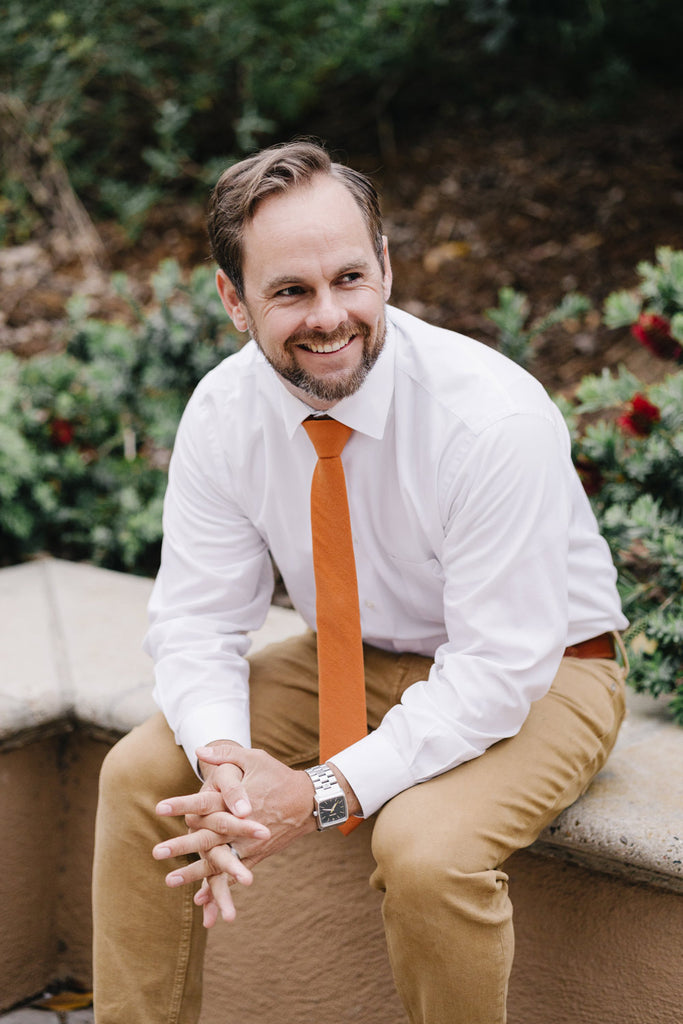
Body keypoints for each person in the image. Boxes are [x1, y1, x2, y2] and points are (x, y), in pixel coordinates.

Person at [92, 140, 628, 1024]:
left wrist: (311, 793)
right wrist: (226, 766)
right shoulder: (225, 415)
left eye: (350, 278)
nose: (329, 316)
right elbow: (195, 623)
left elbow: (496, 674)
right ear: (234, 300)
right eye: (290, 291)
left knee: (423, 849)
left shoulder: (490, 419)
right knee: (143, 774)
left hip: (546, 670)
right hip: (355, 652)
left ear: (385, 264)